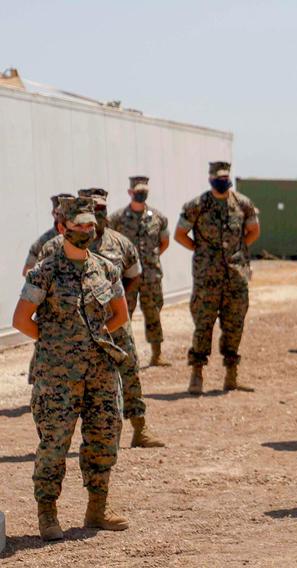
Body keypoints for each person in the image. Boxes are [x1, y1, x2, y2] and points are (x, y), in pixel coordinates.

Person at [13, 196, 131, 541]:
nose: (85, 231)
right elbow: (21, 320)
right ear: (62, 228)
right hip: (58, 376)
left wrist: (93, 337)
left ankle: (97, 508)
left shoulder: (105, 268)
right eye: (78, 226)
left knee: (103, 439)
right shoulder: (45, 270)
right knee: (55, 443)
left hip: (100, 371)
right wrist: (55, 343)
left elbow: (120, 314)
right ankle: (47, 514)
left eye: (89, 225)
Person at [39, 189, 164, 449]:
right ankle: (57, 438)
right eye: (93, 209)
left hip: (114, 323)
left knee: (129, 369)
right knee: (63, 379)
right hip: (73, 328)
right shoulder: (53, 246)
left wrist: (113, 305)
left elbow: (133, 276)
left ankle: (139, 427)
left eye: (101, 209)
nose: (98, 214)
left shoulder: (120, 242)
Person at [174, 161, 261, 394]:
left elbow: (254, 231)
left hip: (235, 276)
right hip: (206, 279)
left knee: (234, 325)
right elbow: (180, 234)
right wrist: (201, 251)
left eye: (225, 176)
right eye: (218, 177)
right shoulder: (197, 205)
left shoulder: (243, 204)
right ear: (211, 178)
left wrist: (238, 250)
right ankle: (197, 375)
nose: (222, 180)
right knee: (203, 325)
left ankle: (231, 377)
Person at [109, 176, 171, 366]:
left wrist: (150, 259)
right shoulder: (117, 218)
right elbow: (109, 242)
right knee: (122, 314)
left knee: (153, 313)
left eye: (144, 191)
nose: (141, 194)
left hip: (151, 276)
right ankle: (120, 354)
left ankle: (156, 354)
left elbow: (164, 242)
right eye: (137, 191)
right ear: (130, 192)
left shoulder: (158, 217)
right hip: (127, 277)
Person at [21, 193, 72, 276]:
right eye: (60, 214)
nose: (64, 218)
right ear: (53, 213)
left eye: (68, 214)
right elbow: (27, 272)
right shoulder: (43, 242)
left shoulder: (85, 237)